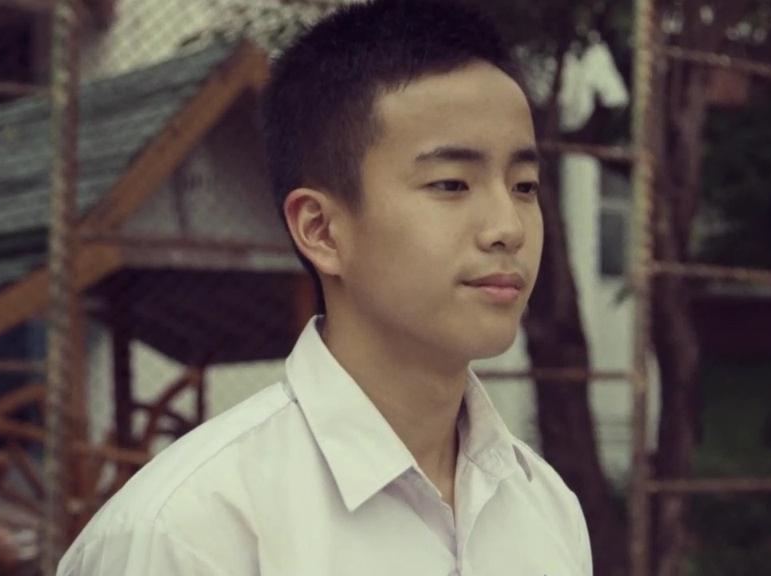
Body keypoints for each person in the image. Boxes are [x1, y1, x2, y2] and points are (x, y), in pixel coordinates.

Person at [56, 0, 592, 574]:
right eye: (451, 184)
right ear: (321, 230)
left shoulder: (546, 507)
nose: (508, 227)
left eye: (524, 186)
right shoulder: (186, 533)